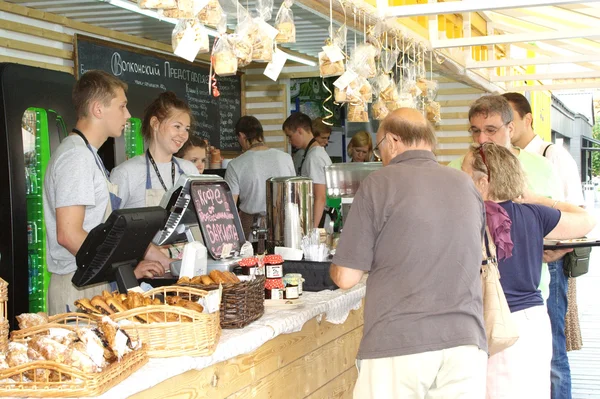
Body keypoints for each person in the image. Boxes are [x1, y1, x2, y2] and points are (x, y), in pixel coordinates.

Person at [331, 108, 487, 398]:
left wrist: (335, 266)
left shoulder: (379, 183)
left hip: (399, 341)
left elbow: (346, 278)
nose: (381, 156)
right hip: (466, 342)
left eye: (380, 149)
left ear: (391, 141)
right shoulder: (465, 184)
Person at [462, 143, 595, 399]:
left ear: (483, 182)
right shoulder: (534, 214)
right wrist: (537, 199)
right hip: (533, 323)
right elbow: (586, 219)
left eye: (465, 173)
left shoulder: (466, 217)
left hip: (494, 325)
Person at [43, 70, 168, 316]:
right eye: (122, 106)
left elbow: (99, 230)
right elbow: (69, 235)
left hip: (91, 283)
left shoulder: (87, 154)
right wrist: (119, 271)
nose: (128, 115)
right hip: (78, 288)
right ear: (98, 109)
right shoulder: (76, 157)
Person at [503, 92, 585, 399]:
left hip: (550, 264)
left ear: (526, 119)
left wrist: (555, 249)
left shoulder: (553, 156)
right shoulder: (506, 160)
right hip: (522, 269)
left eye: (509, 121)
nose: (506, 129)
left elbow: (577, 211)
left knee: (554, 348)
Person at [449, 95, 560, 303]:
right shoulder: (455, 169)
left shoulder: (542, 167)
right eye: (475, 130)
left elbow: (560, 222)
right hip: (473, 299)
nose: (481, 139)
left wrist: (558, 249)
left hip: (529, 296)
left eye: (491, 130)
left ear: (510, 129)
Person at [111, 91, 198, 208]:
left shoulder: (190, 171)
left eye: (186, 129)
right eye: (177, 126)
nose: (183, 135)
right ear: (155, 124)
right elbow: (108, 222)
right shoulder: (125, 173)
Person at [225, 116, 295, 237]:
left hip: (251, 228)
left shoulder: (235, 164)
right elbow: (293, 195)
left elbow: (229, 207)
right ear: (261, 134)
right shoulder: (286, 158)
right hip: (283, 226)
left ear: (241, 136)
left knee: (252, 256)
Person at [283, 112, 332, 229]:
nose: (289, 141)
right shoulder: (312, 153)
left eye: (290, 136)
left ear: (300, 131)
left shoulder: (314, 157)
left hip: (319, 219)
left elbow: (320, 197)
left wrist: (313, 230)